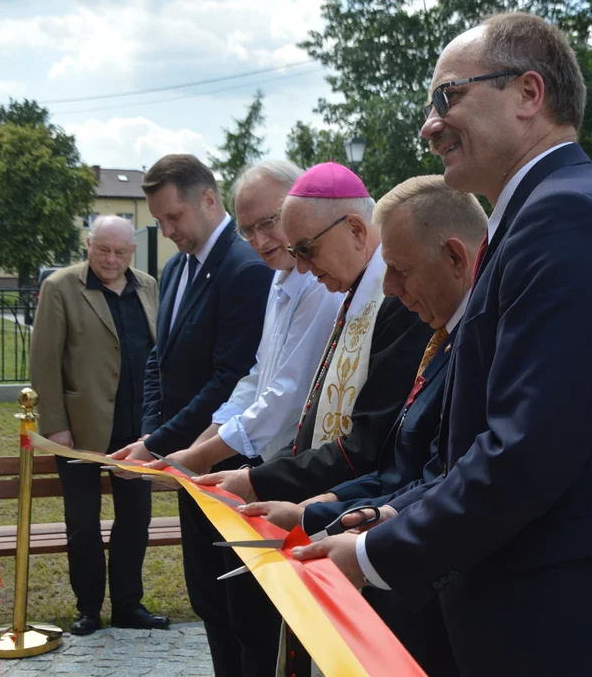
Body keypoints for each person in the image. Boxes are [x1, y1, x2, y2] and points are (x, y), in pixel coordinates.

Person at [293, 12, 592, 676]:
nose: (429, 125)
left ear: (528, 95)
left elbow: (528, 449)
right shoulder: (545, 215)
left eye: (447, 97)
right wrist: (381, 522)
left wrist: (372, 556)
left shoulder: (569, 217)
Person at [193, 163, 434, 677]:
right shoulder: (350, 287)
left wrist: (265, 482)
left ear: (353, 229)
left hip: (364, 516)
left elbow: (366, 442)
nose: (300, 266)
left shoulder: (392, 301)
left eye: (305, 249)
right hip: (335, 502)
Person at [243, 175, 486, 677]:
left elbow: (440, 474)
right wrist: (324, 509)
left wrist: (358, 526)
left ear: (458, 260)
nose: (390, 288)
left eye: (399, 270)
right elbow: (403, 459)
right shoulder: (443, 333)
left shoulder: (475, 344)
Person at [138, 160, 342, 673]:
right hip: (252, 467)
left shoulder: (314, 280)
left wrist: (199, 451)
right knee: (241, 617)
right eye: (249, 228)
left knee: (269, 626)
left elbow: (285, 394)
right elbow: (254, 377)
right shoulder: (280, 277)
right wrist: (194, 445)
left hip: (291, 474)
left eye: (268, 222)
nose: (259, 238)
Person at [109, 154, 273, 677]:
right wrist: (153, 432)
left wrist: (162, 443)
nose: (168, 229)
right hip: (187, 461)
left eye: (174, 217)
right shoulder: (177, 267)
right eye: (159, 220)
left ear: (208, 199)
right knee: (205, 594)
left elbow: (229, 378)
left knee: (241, 606)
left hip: (229, 462)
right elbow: (159, 359)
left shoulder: (245, 267)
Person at [28, 216, 165, 636]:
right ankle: (88, 608)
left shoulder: (148, 286)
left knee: (135, 520)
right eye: (102, 249)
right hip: (79, 430)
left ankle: (128, 605)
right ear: (88, 244)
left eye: (120, 252)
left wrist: (158, 424)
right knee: (83, 525)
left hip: (138, 430)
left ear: (133, 252)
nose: (110, 259)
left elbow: (158, 355)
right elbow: (44, 363)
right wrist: (55, 427)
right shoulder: (60, 287)